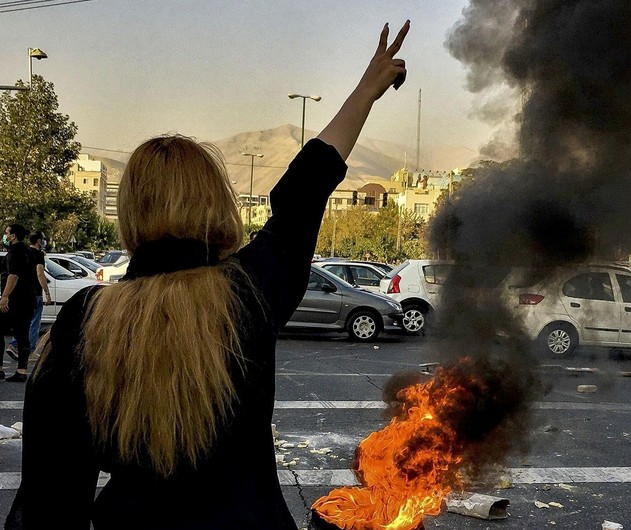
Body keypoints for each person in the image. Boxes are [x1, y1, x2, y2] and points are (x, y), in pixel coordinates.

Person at [5, 21, 409, 530]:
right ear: (215, 201)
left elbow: (49, 499)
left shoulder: (85, 320)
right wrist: (365, 92)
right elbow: (303, 192)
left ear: (132, 212)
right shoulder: (248, 291)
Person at [5, 231, 52, 362]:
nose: (44, 241)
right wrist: (47, 292)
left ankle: (16, 345)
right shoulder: (38, 254)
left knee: (23, 322)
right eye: (43, 239)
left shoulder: (25, 251)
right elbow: (40, 273)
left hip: (21, 292)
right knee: (34, 322)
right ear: (38, 241)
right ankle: (27, 350)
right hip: (34, 292)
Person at [0, 224, 38, 383]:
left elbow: (13, 276)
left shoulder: (14, 252)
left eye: (7, 233)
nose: (5, 236)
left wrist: (4, 297)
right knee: (22, 334)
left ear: (13, 236)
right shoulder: (28, 252)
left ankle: (0, 369)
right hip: (28, 299)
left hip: (15, 300)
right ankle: (21, 370)